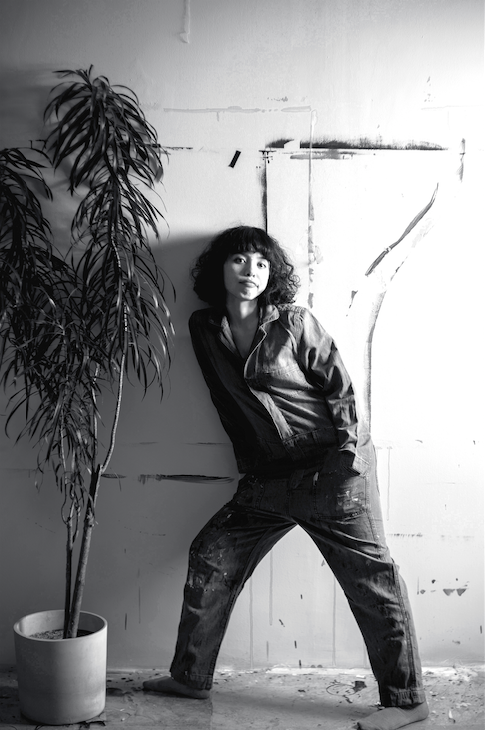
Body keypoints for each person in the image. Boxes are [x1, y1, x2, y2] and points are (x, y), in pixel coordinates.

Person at [144, 226, 429, 730]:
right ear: (220, 269)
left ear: (271, 273)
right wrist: (251, 467)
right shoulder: (204, 327)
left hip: (331, 467)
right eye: (239, 260)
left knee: (370, 580)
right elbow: (226, 403)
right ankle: (190, 677)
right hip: (269, 476)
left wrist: (347, 459)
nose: (250, 271)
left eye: (261, 262)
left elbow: (341, 390)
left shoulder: (295, 322)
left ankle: (407, 702)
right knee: (212, 554)